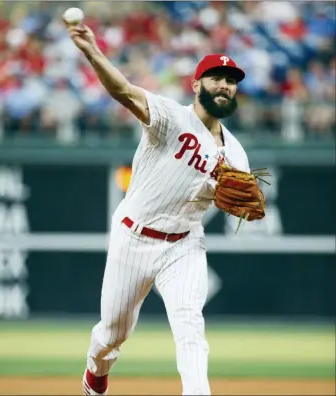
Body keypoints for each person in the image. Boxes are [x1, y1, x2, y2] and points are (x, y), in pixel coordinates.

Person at [66, 22, 254, 396]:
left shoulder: (235, 154)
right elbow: (121, 90)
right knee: (112, 334)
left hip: (184, 244)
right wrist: (91, 50)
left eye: (231, 80)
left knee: (190, 329)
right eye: (216, 77)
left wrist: (244, 209)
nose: (225, 85)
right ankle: (95, 368)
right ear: (196, 85)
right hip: (133, 237)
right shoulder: (169, 117)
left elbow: (241, 208)